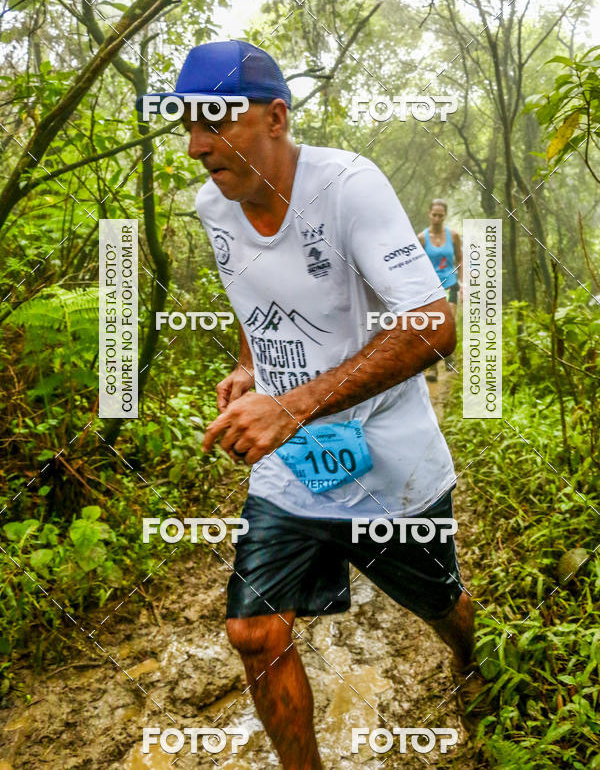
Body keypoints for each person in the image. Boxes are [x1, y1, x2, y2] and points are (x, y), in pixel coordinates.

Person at [138, 40, 487, 768]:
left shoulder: (348, 187)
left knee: (438, 603)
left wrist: (292, 406)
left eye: (214, 122)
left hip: (387, 458)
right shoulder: (215, 204)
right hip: (291, 468)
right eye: (187, 127)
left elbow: (434, 321)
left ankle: (471, 658)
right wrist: (247, 367)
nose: (197, 146)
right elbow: (251, 297)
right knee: (254, 631)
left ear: (276, 117)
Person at [418, 200, 462, 382]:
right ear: (429, 214)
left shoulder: (453, 236)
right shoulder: (421, 238)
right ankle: (434, 368)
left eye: (440, 215)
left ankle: (448, 354)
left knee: (448, 322)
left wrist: (461, 281)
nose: (437, 218)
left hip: (450, 283)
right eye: (434, 214)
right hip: (430, 287)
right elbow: (417, 265)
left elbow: (460, 258)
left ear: (445, 215)